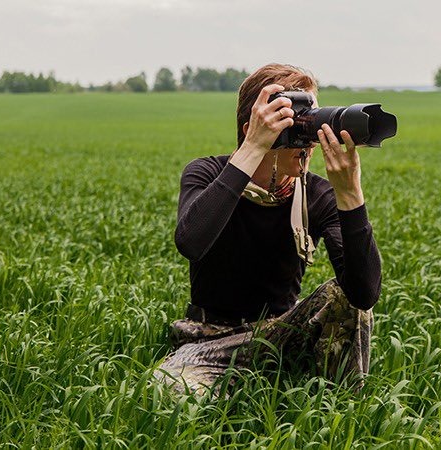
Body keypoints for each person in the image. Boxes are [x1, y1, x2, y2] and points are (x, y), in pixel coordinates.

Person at [154, 63, 382, 395]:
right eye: (292, 125)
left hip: (282, 335)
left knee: (341, 296)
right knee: (168, 392)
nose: (308, 139)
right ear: (254, 127)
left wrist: (350, 196)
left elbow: (363, 295)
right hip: (210, 338)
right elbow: (191, 241)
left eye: (310, 121)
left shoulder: (316, 195)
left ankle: (342, 412)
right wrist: (252, 148)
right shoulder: (206, 173)